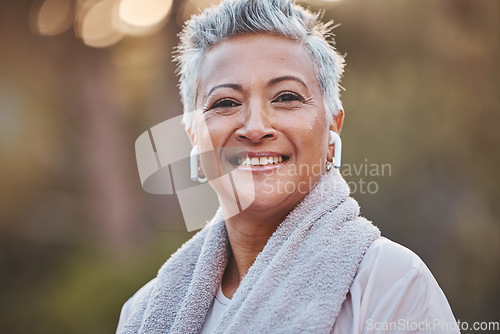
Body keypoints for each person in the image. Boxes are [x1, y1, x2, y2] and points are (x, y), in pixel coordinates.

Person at [116, 0, 460, 333]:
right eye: (225, 102)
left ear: (331, 130)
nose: (254, 127)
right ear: (195, 137)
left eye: (286, 97)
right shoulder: (142, 311)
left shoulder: (391, 283)